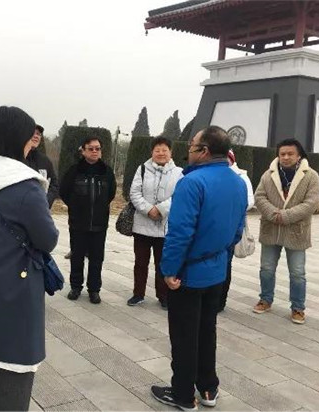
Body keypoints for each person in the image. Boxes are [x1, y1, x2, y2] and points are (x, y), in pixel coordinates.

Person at [0, 106, 59, 411]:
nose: (32, 143)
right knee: (15, 375)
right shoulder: (27, 187)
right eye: (30, 137)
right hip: (16, 296)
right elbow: (48, 239)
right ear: (18, 139)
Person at [151, 126, 246, 411]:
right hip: (217, 269)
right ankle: (207, 387)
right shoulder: (238, 182)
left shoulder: (192, 182)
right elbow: (238, 229)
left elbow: (180, 233)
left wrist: (169, 270)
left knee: (184, 335)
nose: (188, 149)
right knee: (207, 330)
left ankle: (183, 394)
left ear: (204, 151)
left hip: (189, 274)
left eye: (192, 145)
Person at [253, 138, 319, 324]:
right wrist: (274, 214)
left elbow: (311, 203)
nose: (286, 157)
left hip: (296, 231)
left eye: (290, 153)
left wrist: (286, 215)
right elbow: (259, 197)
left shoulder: (311, 176)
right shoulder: (269, 174)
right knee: (266, 269)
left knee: (297, 272)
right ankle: (265, 299)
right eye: (282, 154)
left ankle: (298, 307)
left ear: (299, 155)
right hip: (271, 229)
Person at [127, 136, 182, 308]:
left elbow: (179, 195)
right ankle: (138, 294)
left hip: (165, 226)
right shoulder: (142, 169)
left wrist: (160, 209)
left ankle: (163, 295)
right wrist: (149, 209)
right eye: (157, 150)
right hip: (142, 225)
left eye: (164, 150)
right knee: (140, 263)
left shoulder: (179, 172)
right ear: (152, 152)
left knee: (162, 263)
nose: (161, 153)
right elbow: (134, 192)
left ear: (171, 152)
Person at [60, 138, 116, 304]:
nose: (94, 151)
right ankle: (76, 286)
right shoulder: (74, 171)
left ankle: (94, 290)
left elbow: (111, 193)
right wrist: (76, 207)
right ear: (83, 151)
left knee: (97, 259)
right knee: (77, 256)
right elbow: (64, 191)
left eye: (97, 148)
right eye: (90, 149)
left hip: (99, 223)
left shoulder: (107, 172)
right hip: (78, 223)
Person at [218, 149, 254, 312]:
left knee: (226, 263)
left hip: (231, 226)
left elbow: (250, 201)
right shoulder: (214, 173)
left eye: (227, 158)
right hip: (214, 225)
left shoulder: (241, 176)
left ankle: (220, 301)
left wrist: (230, 206)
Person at [25, 124, 59, 207]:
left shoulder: (45, 160)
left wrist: (46, 200)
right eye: (33, 133)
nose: (36, 136)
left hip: (41, 208)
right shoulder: (16, 158)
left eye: (38, 134)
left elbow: (54, 184)